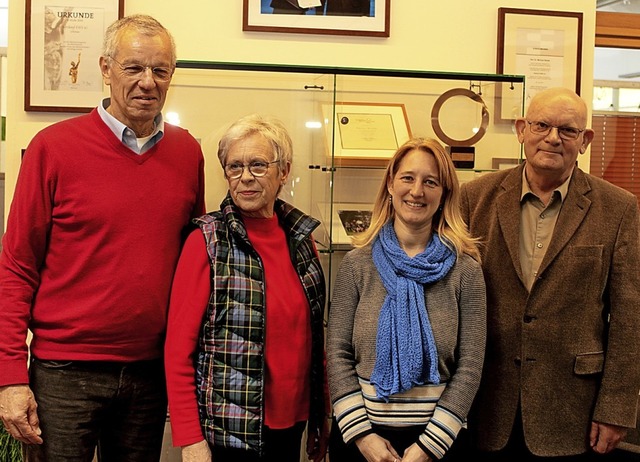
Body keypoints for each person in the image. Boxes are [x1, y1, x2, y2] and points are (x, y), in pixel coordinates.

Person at [0, 14, 205, 461]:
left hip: (150, 373)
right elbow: (16, 266)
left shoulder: (188, 152)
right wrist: (11, 376)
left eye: (160, 70)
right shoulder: (51, 148)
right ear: (106, 68)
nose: (147, 82)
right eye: (133, 67)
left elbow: (195, 263)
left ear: (172, 75)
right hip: (63, 373)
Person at [458, 87, 640, 461]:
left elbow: (629, 317)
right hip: (485, 402)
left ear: (585, 140)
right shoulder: (474, 199)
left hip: (573, 410)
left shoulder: (619, 209)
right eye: (542, 125)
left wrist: (616, 409)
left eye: (568, 130)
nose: (553, 138)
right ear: (522, 129)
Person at [164, 113, 329, 462]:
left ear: (283, 171)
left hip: (292, 424)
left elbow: (316, 339)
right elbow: (178, 351)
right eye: (234, 167)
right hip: (229, 432)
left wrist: (321, 415)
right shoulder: (206, 241)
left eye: (258, 165)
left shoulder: (302, 240)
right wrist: (190, 438)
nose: (245, 178)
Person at [327, 137, 487, 462]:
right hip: (361, 442)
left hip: (439, 445)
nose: (417, 191)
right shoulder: (357, 265)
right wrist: (363, 437)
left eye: (431, 182)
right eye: (408, 178)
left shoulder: (465, 271)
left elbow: (470, 365)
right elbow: (337, 355)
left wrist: (429, 446)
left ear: (444, 194)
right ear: (390, 184)